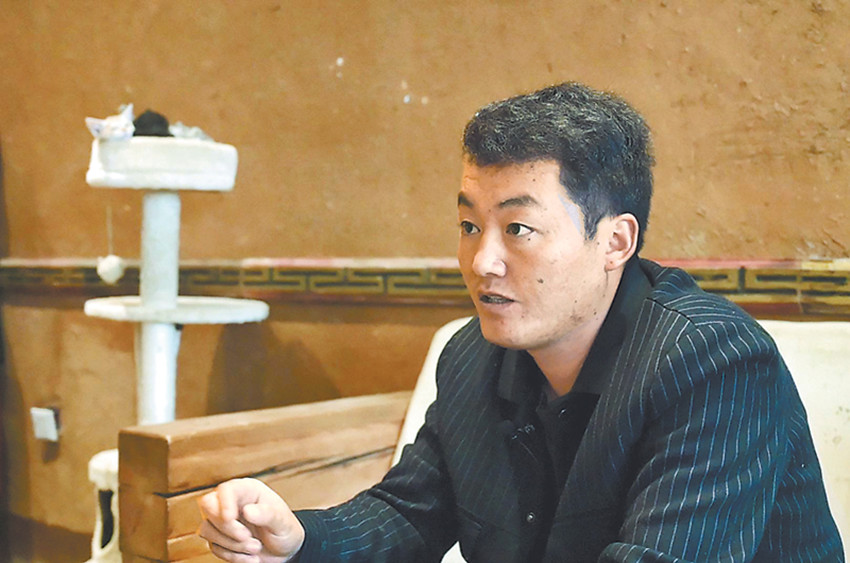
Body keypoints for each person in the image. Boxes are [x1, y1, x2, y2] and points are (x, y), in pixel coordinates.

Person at [197, 82, 844, 562]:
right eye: (469, 225)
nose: (483, 261)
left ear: (615, 241)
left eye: (519, 229)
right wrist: (297, 537)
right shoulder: (471, 355)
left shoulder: (713, 361)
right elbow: (409, 513)